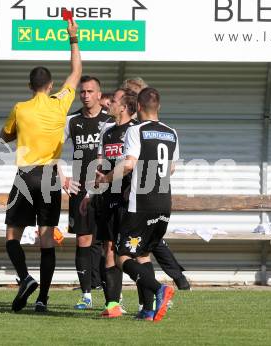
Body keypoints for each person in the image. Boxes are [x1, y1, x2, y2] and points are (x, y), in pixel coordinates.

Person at [0, 19, 81, 313]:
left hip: (25, 176)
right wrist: (72, 38)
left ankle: (24, 278)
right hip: (49, 177)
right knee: (46, 240)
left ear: (29, 86)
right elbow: (76, 72)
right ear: (49, 86)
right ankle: (43, 299)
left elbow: (4, 135)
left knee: (12, 236)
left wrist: (18, 132)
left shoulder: (20, 108)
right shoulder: (60, 103)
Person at [96, 87, 177, 322]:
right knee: (144, 254)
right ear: (158, 107)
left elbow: (129, 164)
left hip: (141, 202)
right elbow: (170, 168)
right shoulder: (172, 133)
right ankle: (148, 310)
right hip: (164, 202)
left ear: (138, 108)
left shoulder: (136, 131)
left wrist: (107, 179)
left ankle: (159, 288)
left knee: (122, 256)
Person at [64, 75, 113, 309]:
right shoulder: (70, 121)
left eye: (90, 92)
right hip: (80, 189)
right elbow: (50, 149)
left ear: (99, 95)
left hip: (105, 190)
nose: (85, 96)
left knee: (108, 244)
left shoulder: (110, 122)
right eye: (82, 92)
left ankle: (113, 297)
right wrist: (61, 176)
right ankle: (86, 295)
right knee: (83, 240)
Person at [96, 88, 139, 318]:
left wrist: (132, 189)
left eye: (112, 101)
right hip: (109, 197)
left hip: (130, 200)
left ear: (123, 107)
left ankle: (149, 298)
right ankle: (113, 305)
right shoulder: (108, 131)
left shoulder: (136, 131)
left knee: (136, 251)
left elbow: (141, 165)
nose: (108, 103)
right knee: (109, 249)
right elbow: (103, 163)